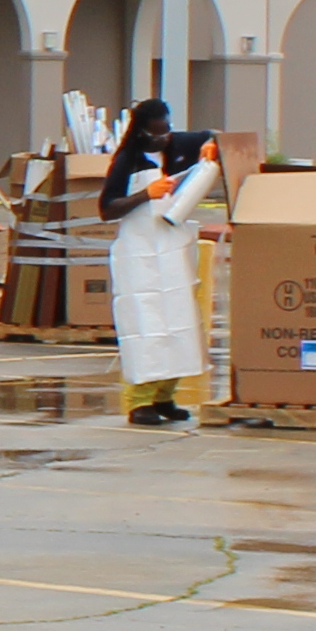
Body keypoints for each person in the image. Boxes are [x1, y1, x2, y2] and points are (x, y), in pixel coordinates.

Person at [97, 95, 218, 426]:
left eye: (166, 131)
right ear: (141, 133)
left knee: (178, 322)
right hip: (139, 254)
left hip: (172, 250)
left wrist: (211, 147)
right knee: (146, 326)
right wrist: (144, 195)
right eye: (156, 134)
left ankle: (166, 396)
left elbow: (215, 135)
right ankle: (139, 401)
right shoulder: (127, 159)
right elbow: (107, 208)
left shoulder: (180, 144)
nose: (163, 139)